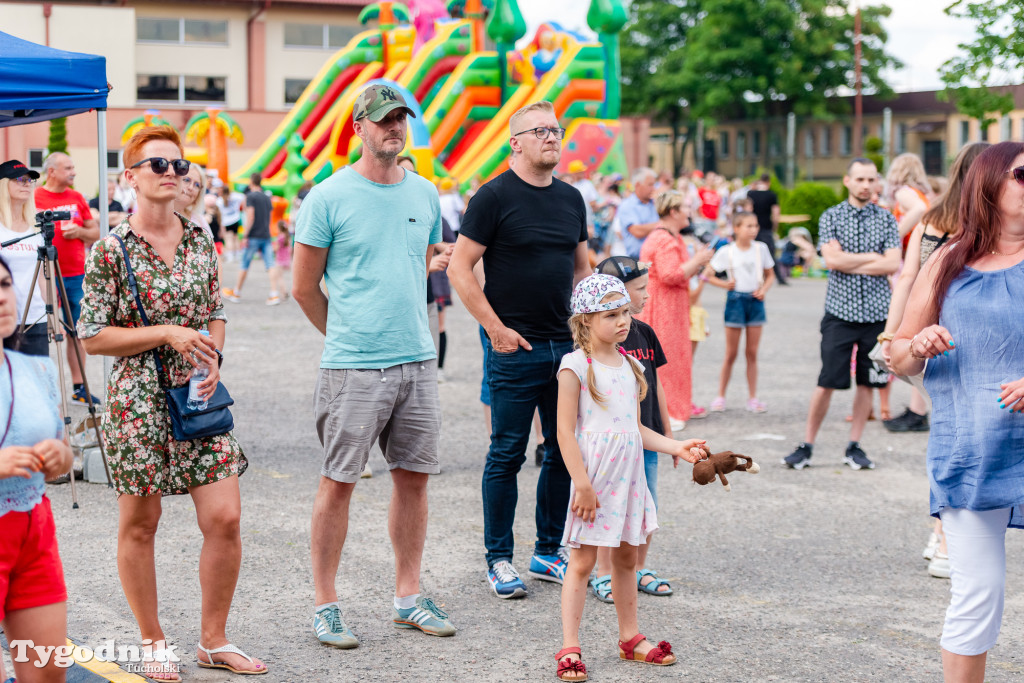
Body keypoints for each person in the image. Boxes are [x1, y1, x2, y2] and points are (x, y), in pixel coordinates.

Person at [78, 126, 265, 680]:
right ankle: (153, 639)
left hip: (197, 396)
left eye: (179, 166)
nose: (170, 173)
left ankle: (214, 639)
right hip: (137, 402)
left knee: (226, 517)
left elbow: (214, 312)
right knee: (141, 523)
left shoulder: (201, 238)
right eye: (156, 164)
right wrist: (165, 332)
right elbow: (92, 335)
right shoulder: (111, 249)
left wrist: (212, 358)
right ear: (129, 177)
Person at [292, 84, 455, 649]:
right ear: (358, 126)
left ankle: (408, 597)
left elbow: (424, 262)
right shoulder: (328, 196)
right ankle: (325, 604)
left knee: (413, 481)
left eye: (401, 119)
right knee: (338, 484)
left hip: (417, 361)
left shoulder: (426, 193)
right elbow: (303, 287)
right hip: (354, 367)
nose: (394, 128)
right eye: (384, 120)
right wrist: (346, 333)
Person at [889, 140, 1024, 683]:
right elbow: (897, 355)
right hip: (971, 448)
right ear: (989, 184)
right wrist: (918, 345)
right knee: (977, 594)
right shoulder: (947, 260)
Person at [447, 100, 590, 598]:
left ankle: (548, 552)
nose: (552, 137)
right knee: (506, 452)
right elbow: (459, 268)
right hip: (514, 349)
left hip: (566, 348)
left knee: (560, 449)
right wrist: (495, 329)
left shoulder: (572, 199)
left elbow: (582, 271)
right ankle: (498, 559)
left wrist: (588, 331)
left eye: (556, 129)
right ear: (516, 142)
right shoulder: (493, 197)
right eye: (541, 131)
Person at [554, 274, 708, 679]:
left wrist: (677, 447)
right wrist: (582, 484)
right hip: (595, 480)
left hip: (629, 478)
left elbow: (635, 429)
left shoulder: (631, 364)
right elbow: (564, 433)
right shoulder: (575, 366)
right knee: (583, 562)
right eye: (611, 314)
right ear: (585, 319)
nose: (623, 321)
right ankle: (569, 646)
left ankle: (630, 639)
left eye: (625, 312)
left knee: (626, 558)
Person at [878, 142, 990, 581]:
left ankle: (940, 529)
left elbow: (907, 280)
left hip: (924, 339)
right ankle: (945, 534)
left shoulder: (931, 220)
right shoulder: (979, 227)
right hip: (955, 340)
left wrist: (893, 334)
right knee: (959, 439)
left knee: (948, 436)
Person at [783, 158, 900, 471]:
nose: (866, 185)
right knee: (827, 380)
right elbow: (831, 261)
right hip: (840, 312)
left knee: (867, 383)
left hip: (876, 314)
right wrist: (871, 258)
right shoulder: (831, 216)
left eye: (871, 179)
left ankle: (854, 445)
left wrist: (850, 260)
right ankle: (807, 444)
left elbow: (892, 264)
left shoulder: (886, 219)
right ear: (847, 180)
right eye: (860, 179)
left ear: (877, 183)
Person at [0, 254, 75, 683]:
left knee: (48, 672)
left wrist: (59, 458)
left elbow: (61, 455)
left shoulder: (37, 368)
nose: (2, 297)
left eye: (6, 284)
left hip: (33, 529)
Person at [589, 257, 675, 604]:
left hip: (648, 435)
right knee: (611, 506)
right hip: (613, 442)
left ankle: (638, 568)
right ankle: (603, 573)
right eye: (641, 289)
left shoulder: (646, 333)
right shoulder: (593, 345)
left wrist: (669, 437)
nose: (647, 295)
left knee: (646, 505)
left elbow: (657, 385)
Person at [637, 190, 713, 431]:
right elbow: (671, 275)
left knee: (676, 356)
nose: (690, 212)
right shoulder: (664, 240)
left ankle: (676, 408)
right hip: (662, 307)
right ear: (673, 212)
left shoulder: (673, 237)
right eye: (686, 208)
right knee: (667, 358)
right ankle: (667, 412)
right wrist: (698, 260)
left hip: (672, 306)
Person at [34, 152, 100, 405]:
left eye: (74, 167)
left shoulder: (76, 197)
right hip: (44, 275)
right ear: (51, 171)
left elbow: (94, 232)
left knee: (77, 332)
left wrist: (79, 231)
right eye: (68, 167)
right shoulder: (35, 197)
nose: (73, 171)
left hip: (75, 275)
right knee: (42, 330)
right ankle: (42, 389)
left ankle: (79, 388)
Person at [706, 211, 776, 413]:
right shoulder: (727, 251)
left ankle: (753, 397)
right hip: (735, 301)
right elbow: (708, 275)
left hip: (755, 300)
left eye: (755, 226)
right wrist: (724, 284)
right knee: (731, 353)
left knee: (752, 353)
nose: (754, 230)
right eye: (748, 226)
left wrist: (763, 289)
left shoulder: (760, 249)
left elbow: (770, 274)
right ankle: (720, 396)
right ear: (736, 228)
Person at [0, 160, 48, 357]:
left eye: (30, 181)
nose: (27, 184)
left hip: (35, 319)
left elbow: (44, 276)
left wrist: (51, 313)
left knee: (37, 381)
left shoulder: (37, 228)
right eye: (20, 179)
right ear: (3, 185)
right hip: (4, 318)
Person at [223, 174, 284, 306]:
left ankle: (237, 292)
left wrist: (245, 235)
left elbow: (250, 217)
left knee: (244, 264)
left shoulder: (250, 196)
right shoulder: (267, 197)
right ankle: (274, 294)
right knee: (270, 265)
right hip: (265, 235)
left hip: (253, 235)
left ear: (251, 182)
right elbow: (269, 216)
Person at [746, 173, 787, 284]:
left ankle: (751, 277)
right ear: (769, 182)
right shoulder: (771, 195)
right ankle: (779, 278)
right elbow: (775, 214)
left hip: (752, 228)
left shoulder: (750, 193)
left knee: (750, 252)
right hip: (766, 228)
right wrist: (774, 227)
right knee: (771, 253)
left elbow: (747, 210)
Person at [618, 168, 659, 260]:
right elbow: (637, 231)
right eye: (650, 185)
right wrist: (663, 224)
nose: (654, 188)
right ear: (637, 185)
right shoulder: (627, 205)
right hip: (638, 261)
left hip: (657, 259)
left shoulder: (655, 203)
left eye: (654, 184)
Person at [216, 185, 245, 261]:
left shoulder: (219, 200)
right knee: (236, 238)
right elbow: (244, 197)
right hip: (236, 219)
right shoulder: (235, 196)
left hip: (226, 221)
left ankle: (230, 256)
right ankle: (237, 255)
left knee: (228, 239)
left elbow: (220, 214)